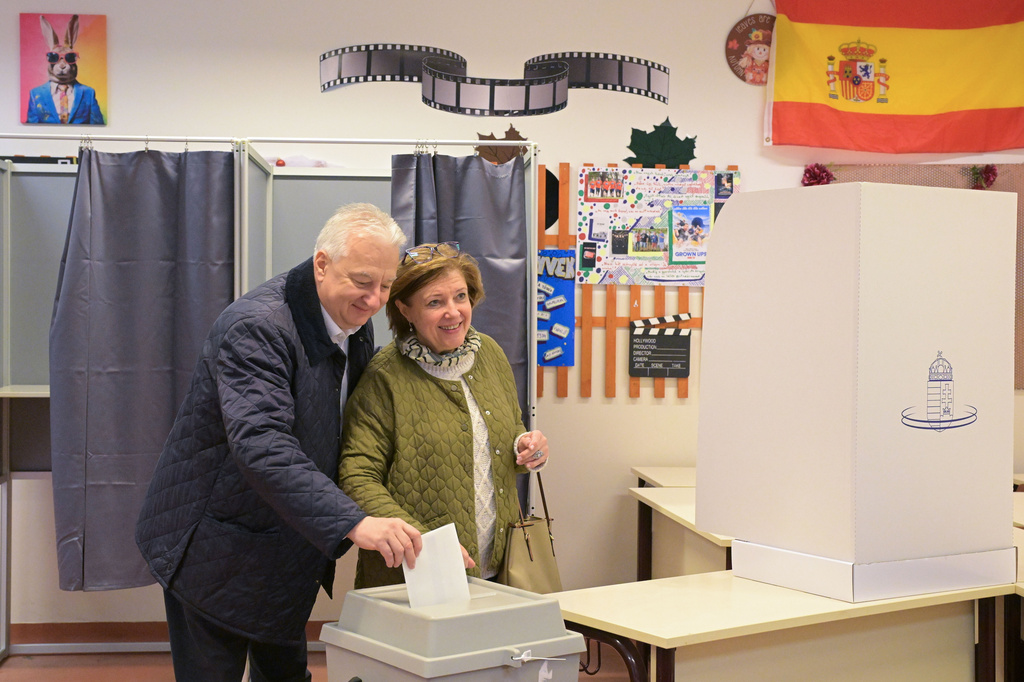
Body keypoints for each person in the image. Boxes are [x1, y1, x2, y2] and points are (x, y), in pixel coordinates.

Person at [135, 203, 423, 682]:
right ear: (322, 264)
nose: (375, 299)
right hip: (214, 545)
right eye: (363, 281)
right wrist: (353, 521)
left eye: (386, 285)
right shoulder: (259, 327)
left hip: (286, 544)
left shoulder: (354, 322)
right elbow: (262, 444)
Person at [339, 241, 549, 588]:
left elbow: (508, 436)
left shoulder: (491, 355)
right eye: (435, 302)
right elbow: (356, 476)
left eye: (460, 297)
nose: (453, 312)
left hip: (500, 568)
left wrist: (527, 447)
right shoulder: (384, 377)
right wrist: (426, 544)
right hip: (418, 573)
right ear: (406, 310)